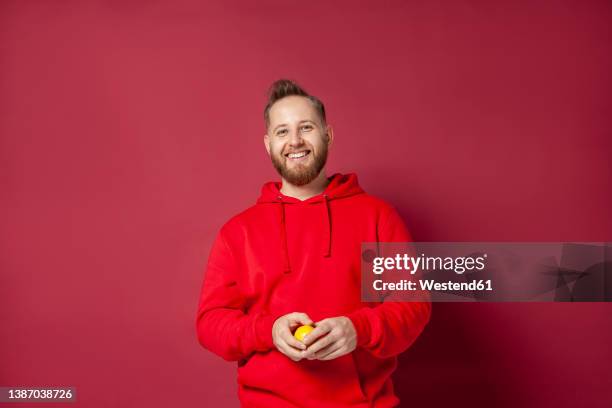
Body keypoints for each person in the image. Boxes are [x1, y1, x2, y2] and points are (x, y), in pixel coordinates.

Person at [195, 79, 431, 407]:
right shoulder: (238, 232)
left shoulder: (378, 217)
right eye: (282, 131)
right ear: (268, 144)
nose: (295, 141)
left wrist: (358, 328)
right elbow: (210, 323)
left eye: (305, 127)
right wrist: (269, 330)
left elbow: (413, 306)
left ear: (328, 135)